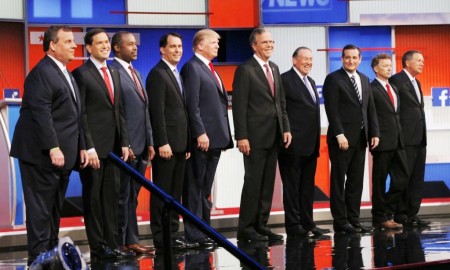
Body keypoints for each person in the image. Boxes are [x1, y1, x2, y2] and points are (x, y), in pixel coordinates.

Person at [10, 25, 89, 263]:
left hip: (62, 156)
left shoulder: (65, 72)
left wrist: (82, 146)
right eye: (68, 42)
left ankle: (50, 258)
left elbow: (76, 114)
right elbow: (41, 113)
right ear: (52, 45)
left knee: (54, 211)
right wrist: (53, 147)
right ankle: (37, 259)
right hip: (41, 155)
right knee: (40, 211)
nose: (74, 45)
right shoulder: (42, 72)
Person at [72, 28, 133, 259]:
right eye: (100, 43)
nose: (105, 46)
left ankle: (113, 244)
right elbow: (82, 115)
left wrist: (125, 142)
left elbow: (119, 111)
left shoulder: (115, 73)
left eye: (107, 42)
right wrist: (88, 147)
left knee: (111, 198)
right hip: (93, 149)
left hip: (114, 148)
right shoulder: (82, 74)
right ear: (89, 48)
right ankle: (98, 248)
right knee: (94, 199)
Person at [232, 28, 292, 242]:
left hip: (274, 135)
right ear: (254, 45)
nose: (269, 45)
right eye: (264, 42)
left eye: (271, 42)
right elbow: (239, 106)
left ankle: (261, 225)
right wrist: (242, 136)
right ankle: (246, 228)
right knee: (253, 183)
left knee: (267, 184)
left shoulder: (274, 68)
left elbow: (280, 102)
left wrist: (285, 128)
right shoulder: (245, 70)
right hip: (254, 137)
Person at [181, 29, 233, 246]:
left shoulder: (210, 69)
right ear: (200, 45)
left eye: (218, 43)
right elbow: (192, 105)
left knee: (205, 188)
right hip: (202, 139)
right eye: (213, 42)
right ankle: (194, 233)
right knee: (194, 187)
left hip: (216, 139)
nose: (217, 46)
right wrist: (200, 132)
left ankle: (205, 229)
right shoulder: (192, 68)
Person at [146, 33, 196, 249]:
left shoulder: (177, 73)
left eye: (179, 46)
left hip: (180, 144)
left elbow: (182, 112)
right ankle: (161, 237)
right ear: (162, 50)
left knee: (175, 194)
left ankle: (173, 234)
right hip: (166, 146)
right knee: (162, 193)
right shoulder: (158, 74)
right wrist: (162, 142)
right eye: (172, 46)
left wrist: (186, 143)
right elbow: (156, 112)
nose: (177, 50)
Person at [322, 44, 379, 234]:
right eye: (347, 57)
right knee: (339, 181)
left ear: (360, 59)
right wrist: (339, 134)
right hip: (342, 139)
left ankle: (354, 219)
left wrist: (374, 133)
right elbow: (332, 109)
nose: (351, 61)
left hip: (361, 139)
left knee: (356, 181)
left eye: (354, 57)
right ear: (342, 58)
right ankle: (340, 221)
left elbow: (370, 109)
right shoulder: (333, 79)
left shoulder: (364, 79)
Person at [110, 31, 155, 254]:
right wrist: (125, 143)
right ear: (117, 48)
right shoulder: (113, 72)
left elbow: (144, 110)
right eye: (129, 44)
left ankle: (132, 240)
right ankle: (118, 242)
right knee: (121, 197)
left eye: (135, 44)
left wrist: (150, 141)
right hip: (125, 147)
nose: (135, 47)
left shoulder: (135, 72)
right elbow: (119, 113)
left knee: (132, 198)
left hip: (141, 146)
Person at [279, 47, 330, 237]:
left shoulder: (311, 81)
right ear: (294, 60)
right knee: (292, 188)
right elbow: (282, 110)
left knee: (307, 188)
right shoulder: (285, 80)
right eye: (304, 59)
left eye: (310, 59)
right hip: (292, 145)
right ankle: (293, 226)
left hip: (310, 145)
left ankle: (308, 224)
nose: (308, 62)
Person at [389, 50, 429, 227]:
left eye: (423, 60)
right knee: (403, 177)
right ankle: (400, 213)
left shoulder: (417, 82)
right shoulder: (396, 80)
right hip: (405, 138)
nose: (422, 63)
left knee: (416, 178)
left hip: (420, 138)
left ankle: (412, 214)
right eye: (418, 60)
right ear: (407, 62)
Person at [370, 53, 408, 230]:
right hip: (382, 142)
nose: (389, 68)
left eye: (390, 65)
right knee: (379, 181)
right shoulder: (371, 88)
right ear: (375, 69)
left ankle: (385, 209)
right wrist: (374, 134)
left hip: (398, 140)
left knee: (402, 178)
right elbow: (371, 116)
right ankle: (380, 217)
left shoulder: (393, 86)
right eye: (385, 66)